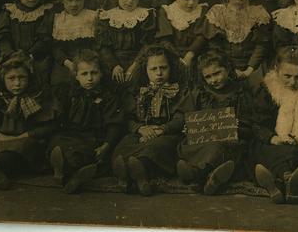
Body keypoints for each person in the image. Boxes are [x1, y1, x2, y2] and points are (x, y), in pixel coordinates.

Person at [0, 52, 59, 190]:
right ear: (2, 79)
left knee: (21, 150)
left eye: (22, 78)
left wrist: (27, 135)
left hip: (26, 142)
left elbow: (52, 125)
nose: (17, 83)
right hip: (1, 141)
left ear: (29, 77)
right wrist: (0, 136)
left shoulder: (38, 95)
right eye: (11, 78)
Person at [249, 46, 298, 204]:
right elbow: (257, 123)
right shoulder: (267, 91)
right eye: (287, 76)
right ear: (276, 70)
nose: (293, 82)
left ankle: (278, 184)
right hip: (272, 142)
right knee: (272, 154)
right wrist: (272, 138)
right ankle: (289, 182)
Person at [174, 50, 255, 194]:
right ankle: (212, 178)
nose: (213, 80)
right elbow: (185, 115)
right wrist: (189, 126)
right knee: (196, 146)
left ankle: (198, 175)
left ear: (228, 69)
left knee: (221, 147)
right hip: (203, 141)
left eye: (217, 73)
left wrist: (235, 126)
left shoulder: (240, 92)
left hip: (229, 141)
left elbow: (250, 125)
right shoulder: (200, 92)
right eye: (208, 77)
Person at [49, 49, 127, 194]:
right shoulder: (71, 94)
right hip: (73, 136)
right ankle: (71, 170)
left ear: (102, 73)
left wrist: (106, 145)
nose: (89, 78)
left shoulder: (109, 97)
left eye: (94, 73)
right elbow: (61, 120)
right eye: (84, 74)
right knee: (60, 142)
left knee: (96, 153)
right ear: (76, 76)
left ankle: (76, 173)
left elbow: (114, 125)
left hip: (95, 138)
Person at [111, 45, 186, 196]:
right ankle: (129, 173)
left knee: (156, 147)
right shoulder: (139, 91)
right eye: (153, 69)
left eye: (163, 68)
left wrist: (162, 129)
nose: (159, 73)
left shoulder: (178, 90)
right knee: (123, 145)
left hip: (167, 133)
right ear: (145, 70)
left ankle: (141, 173)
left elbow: (181, 117)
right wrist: (140, 129)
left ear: (170, 68)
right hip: (142, 131)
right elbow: (129, 117)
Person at [202, 0, 271, 86]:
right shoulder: (217, 14)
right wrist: (230, 68)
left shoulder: (258, 14)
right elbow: (215, 47)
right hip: (224, 66)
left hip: (254, 66)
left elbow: (261, 45)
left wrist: (249, 69)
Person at [96, 0, 156, 87]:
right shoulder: (106, 16)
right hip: (113, 62)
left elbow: (147, 45)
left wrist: (135, 66)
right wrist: (114, 66)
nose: (130, 1)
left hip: (138, 61)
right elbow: (103, 46)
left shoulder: (145, 15)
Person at [0, 0, 54, 83]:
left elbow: (44, 38)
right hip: (11, 58)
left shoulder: (45, 12)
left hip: (37, 58)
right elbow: (2, 36)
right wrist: (10, 54)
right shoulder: (9, 11)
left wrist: (29, 55)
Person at [155, 0, 207, 81]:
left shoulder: (202, 10)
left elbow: (202, 36)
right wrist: (177, 57)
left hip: (196, 54)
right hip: (172, 55)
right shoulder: (167, 11)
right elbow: (164, 39)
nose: (191, 2)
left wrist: (190, 55)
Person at [50, 0, 97, 87]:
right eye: (69, 0)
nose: (74, 4)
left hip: (88, 61)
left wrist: (86, 61)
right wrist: (67, 62)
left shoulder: (91, 16)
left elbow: (96, 44)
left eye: (78, 0)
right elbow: (56, 48)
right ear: (62, 0)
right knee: (60, 83)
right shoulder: (59, 19)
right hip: (66, 62)